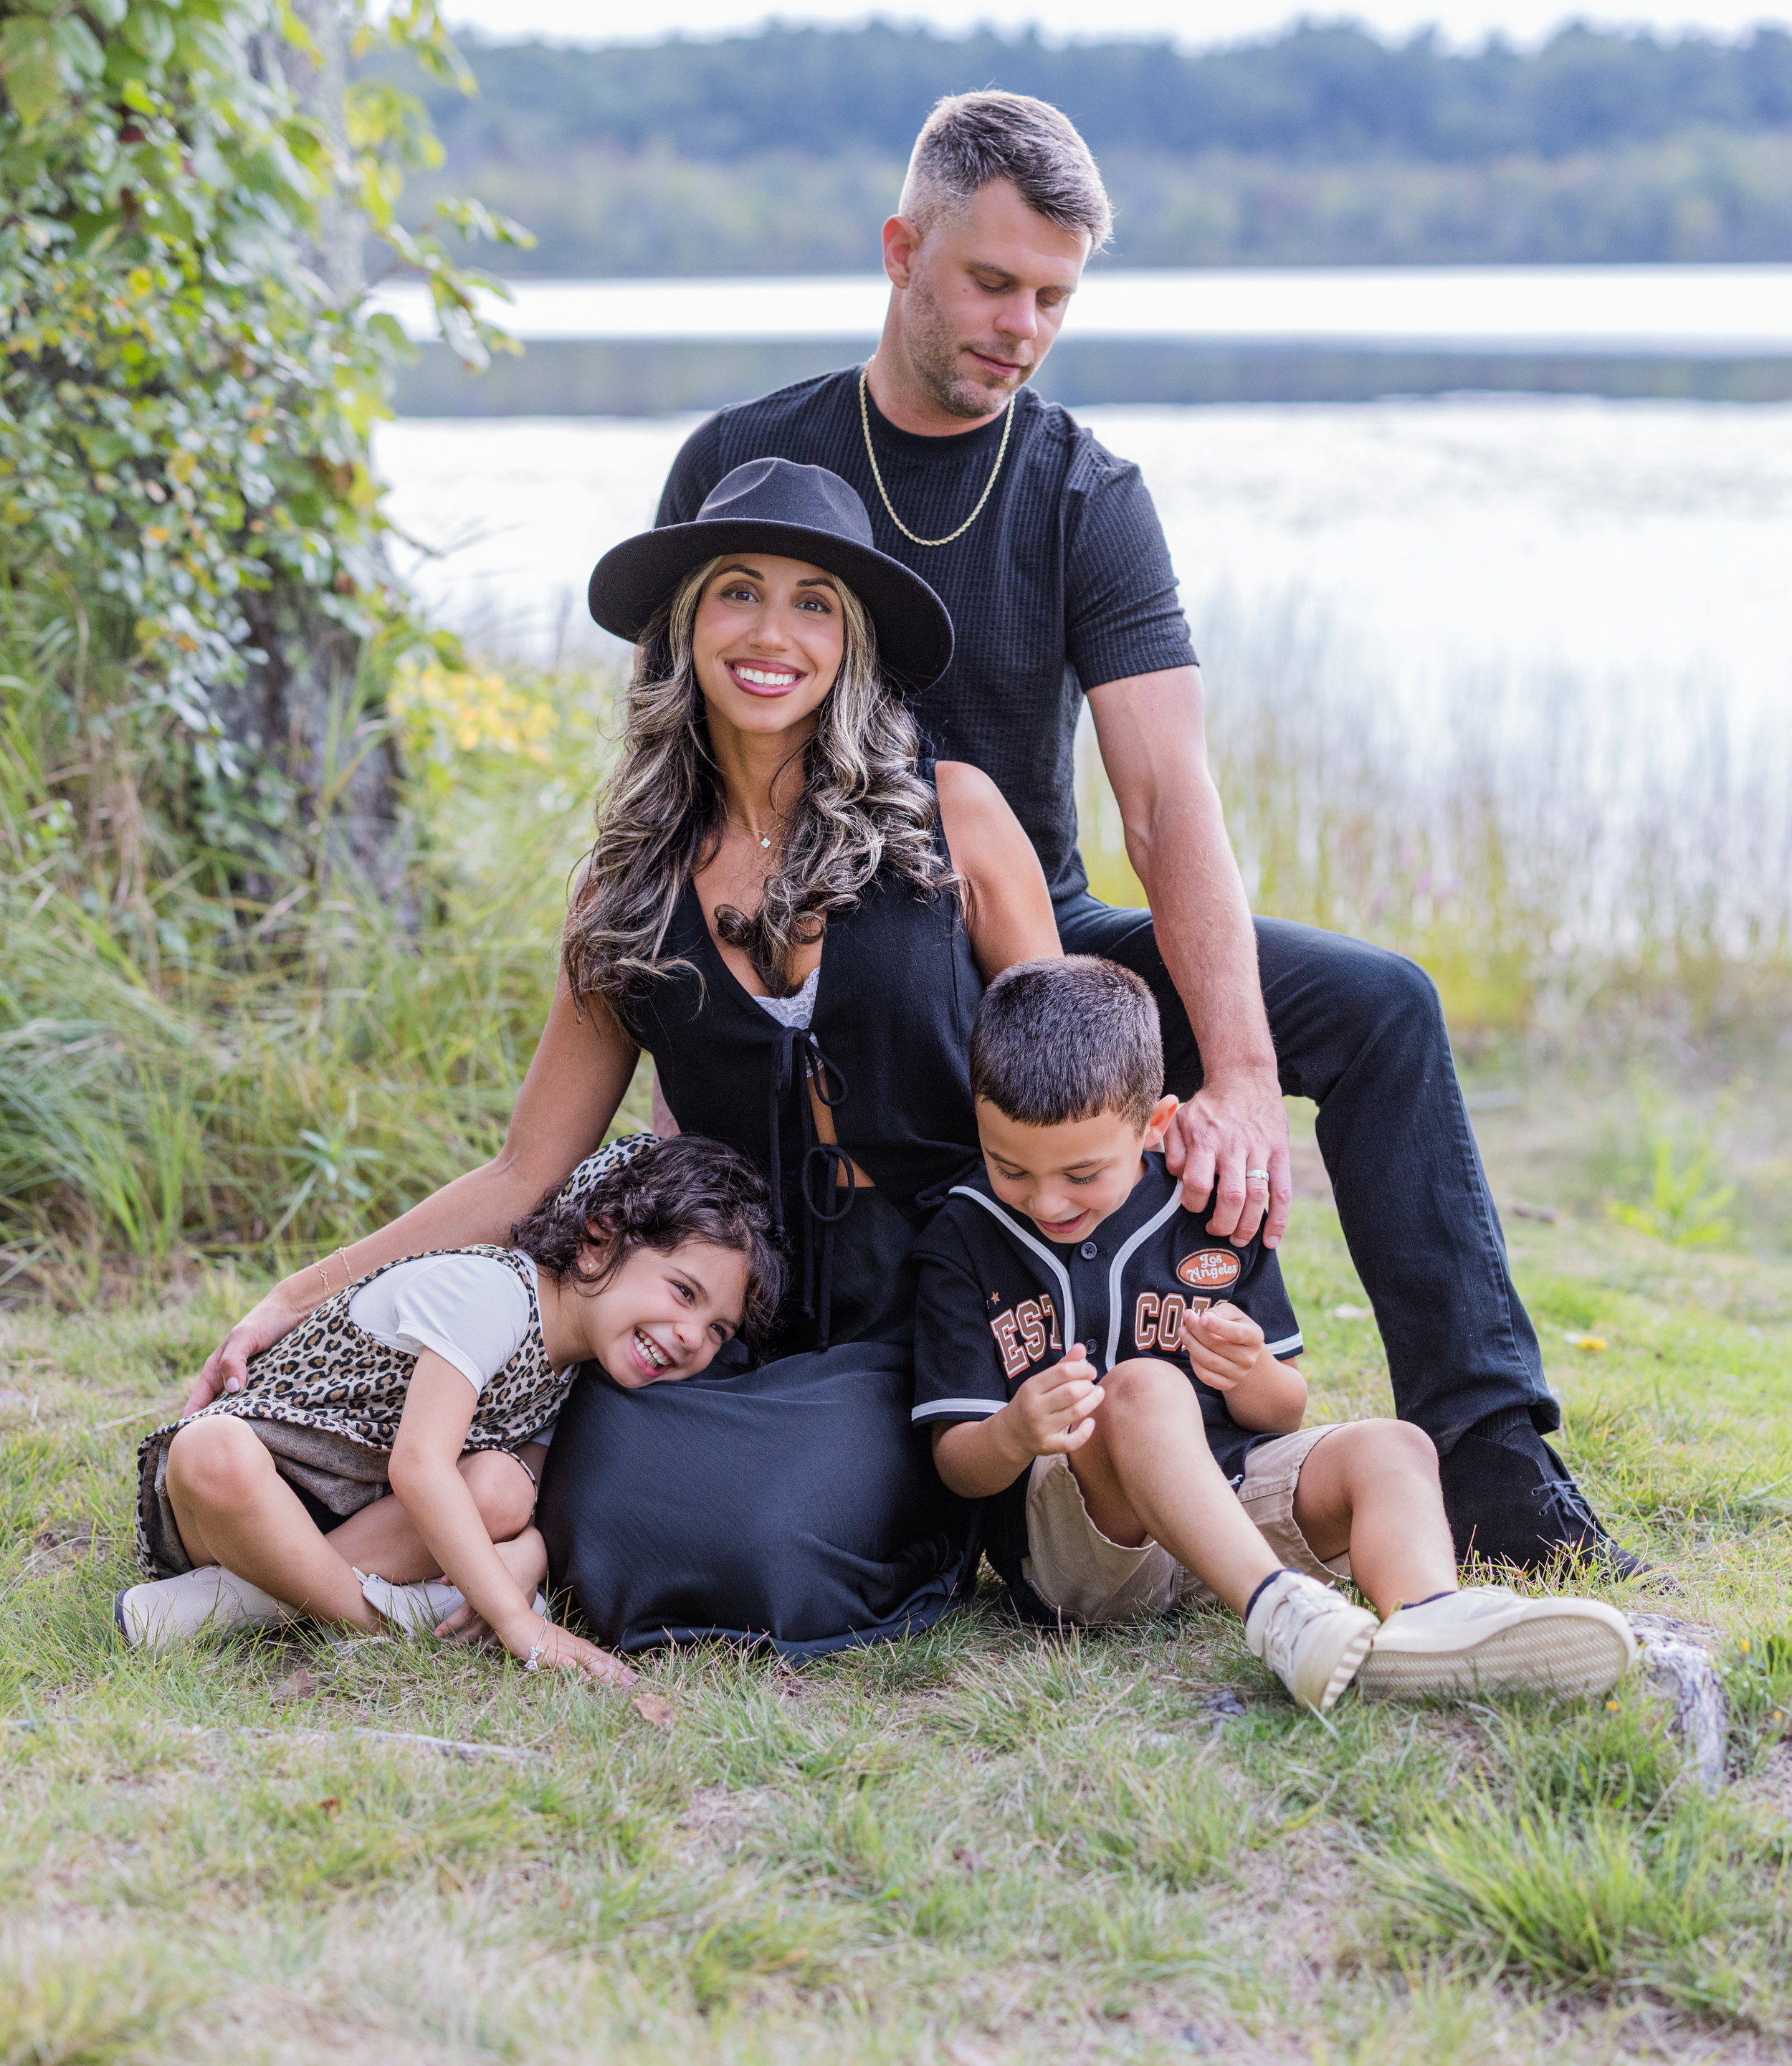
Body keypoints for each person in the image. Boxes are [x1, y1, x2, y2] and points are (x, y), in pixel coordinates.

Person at [650, 88, 1631, 1576]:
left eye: (1053, 297)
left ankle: (1489, 1456)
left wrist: (1234, 1072)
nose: (1021, 325)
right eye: (990, 283)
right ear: (901, 248)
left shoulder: (1084, 490)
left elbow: (1165, 797)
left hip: (1038, 939)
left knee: (1377, 1005)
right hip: (833, 956)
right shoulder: (747, 457)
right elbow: (676, 768)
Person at [182, 458, 1064, 1660]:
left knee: (756, 1538)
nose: (771, 632)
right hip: (714, 1317)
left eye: (814, 602)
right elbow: (524, 1172)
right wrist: (295, 1295)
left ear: (851, 640)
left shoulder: (955, 817)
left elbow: (1064, 1079)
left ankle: (271, 1590)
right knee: (590, 1510)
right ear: (686, 626)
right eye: (737, 593)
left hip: (929, 1310)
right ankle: (290, 1579)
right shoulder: (630, 887)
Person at [915, 958, 1637, 1706]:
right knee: (1144, 1389)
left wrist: (1252, 1370)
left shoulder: (1212, 1205)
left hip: (1231, 1502)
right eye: (1011, 1168)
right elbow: (958, 1466)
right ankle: (1280, 1613)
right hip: (1091, 1549)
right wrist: (1015, 1431)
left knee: (1397, 1446)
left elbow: (1283, 1409)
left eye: (1083, 1172)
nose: (1046, 1199)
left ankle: (1426, 1620)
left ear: (1156, 1126)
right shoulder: (963, 1237)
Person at [123, 1135, 778, 1676]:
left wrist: (534, 1556)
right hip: (250, 1493)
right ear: (599, 1239)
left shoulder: (578, 1364)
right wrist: (517, 1620)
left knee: (503, 1486)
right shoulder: (490, 1293)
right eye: (684, 1292)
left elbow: (532, 1499)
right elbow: (419, 1465)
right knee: (214, 1450)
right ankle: (389, 1616)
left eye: (718, 1328)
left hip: (353, 1523)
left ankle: (236, 1601)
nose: (695, 1336)